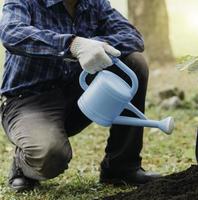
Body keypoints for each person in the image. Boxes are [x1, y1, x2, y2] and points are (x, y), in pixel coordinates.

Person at [0, 0, 160, 192]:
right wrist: (73, 45)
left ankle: (122, 167)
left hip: (78, 95)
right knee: (51, 155)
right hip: (29, 100)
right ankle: (22, 166)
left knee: (133, 62)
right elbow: (11, 33)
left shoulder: (95, 3)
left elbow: (132, 37)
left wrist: (97, 45)